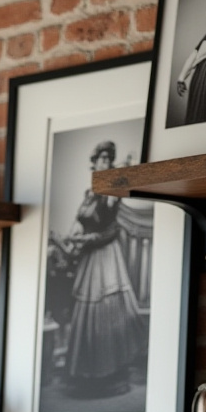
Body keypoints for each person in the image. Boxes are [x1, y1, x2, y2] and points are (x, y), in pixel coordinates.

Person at [60, 140, 146, 396]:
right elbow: (79, 222)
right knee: (86, 312)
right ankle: (86, 372)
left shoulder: (110, 192)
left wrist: (86, 239)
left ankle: (110, 371)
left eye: (109, 159)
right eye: (102, 159)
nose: (105, 163)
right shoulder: (89, 194)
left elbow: (110, 229)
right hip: (88, 256)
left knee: (106, 311)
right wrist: (69, 238)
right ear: (94, 162)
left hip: (105, 255)